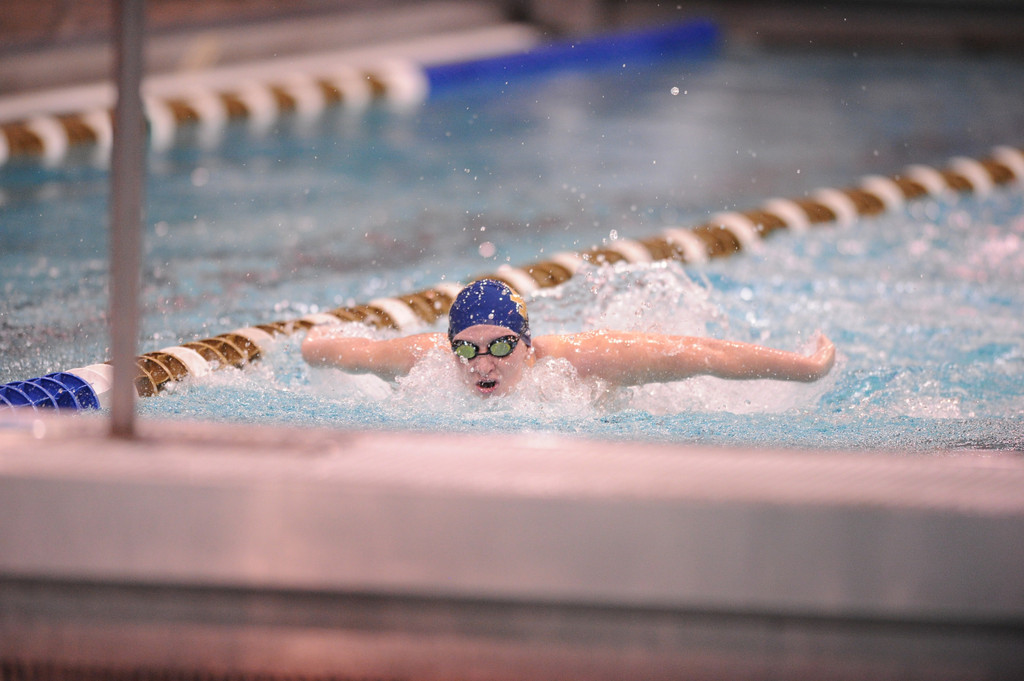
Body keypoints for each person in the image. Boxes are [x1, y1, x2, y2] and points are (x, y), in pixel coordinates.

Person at [302, 279, 836, 398]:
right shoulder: (430, 361)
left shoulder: (586, 361)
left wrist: (803, 366)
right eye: (467, 347)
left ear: (527, 345)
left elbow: (704, 355)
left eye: (502, 346)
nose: (482, 364)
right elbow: (356, 353)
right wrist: (309, 342)